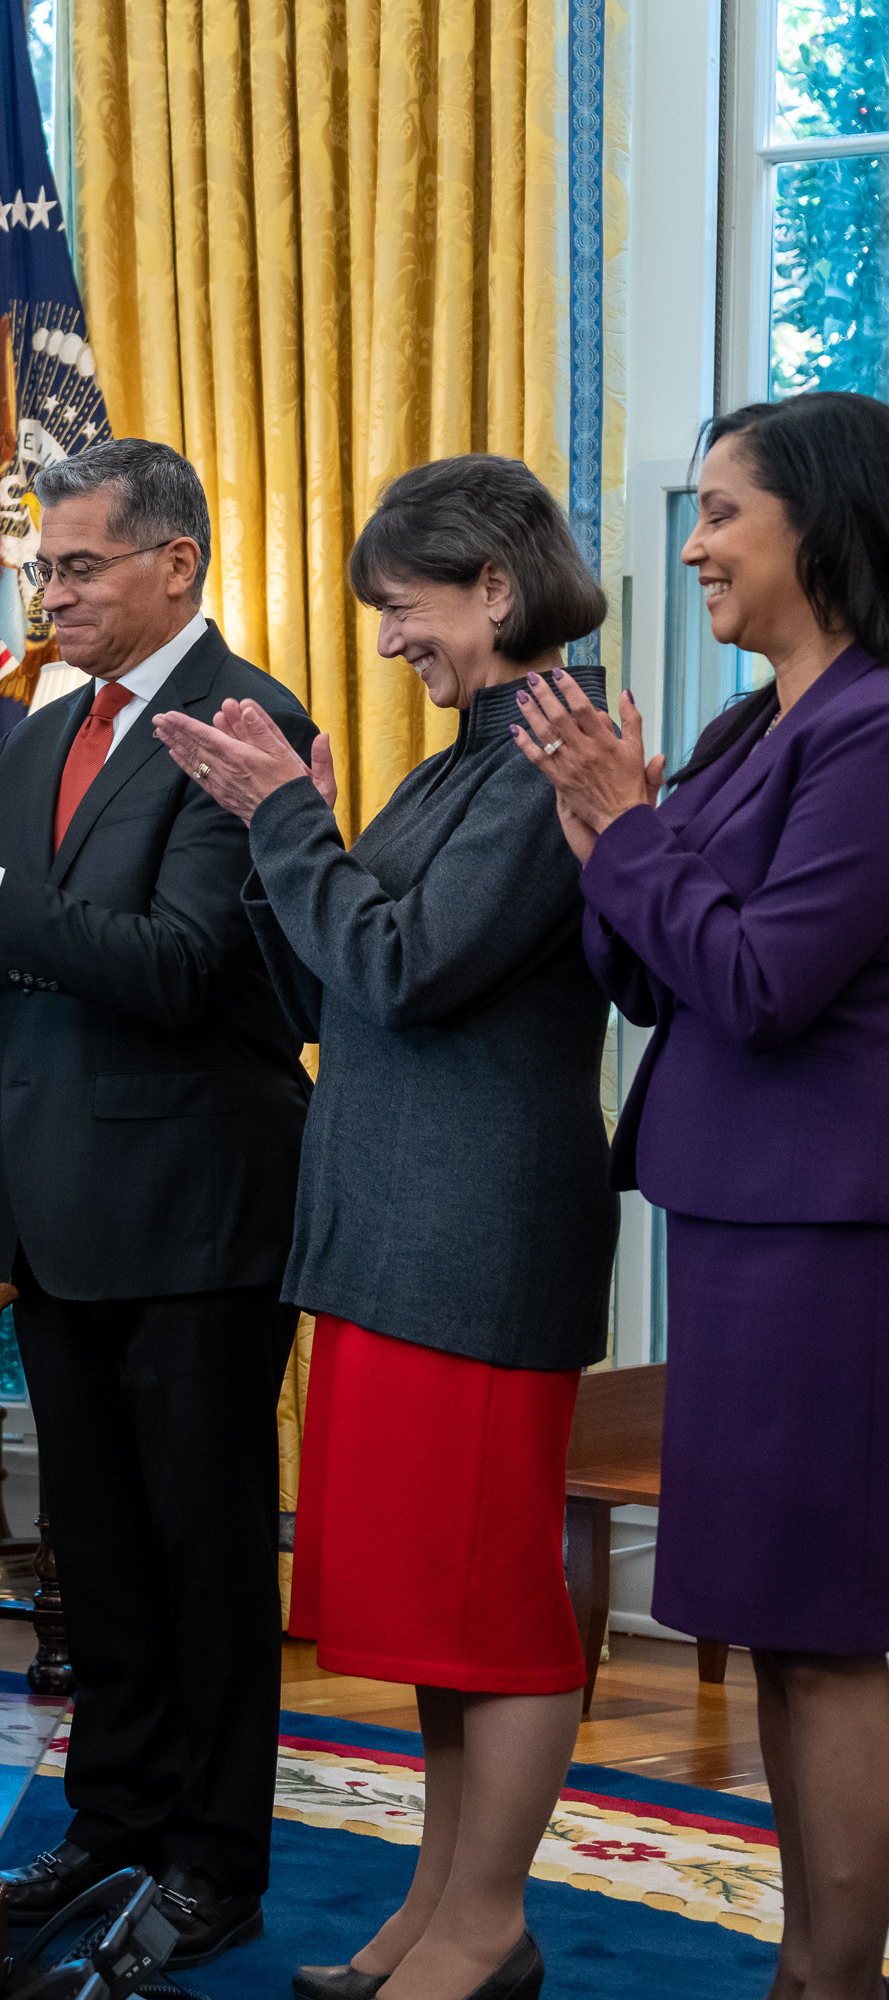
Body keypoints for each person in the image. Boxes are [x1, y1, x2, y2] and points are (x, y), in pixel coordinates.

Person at [0, 436, 311, 1967]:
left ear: (176, 563)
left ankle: (213, 1865)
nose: (53, 590)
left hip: (194, 1208)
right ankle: (113, 1819)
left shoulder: (246, 726)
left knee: (205, 1553)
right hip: (57, 1201)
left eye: (80, 565)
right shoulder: (37, 733)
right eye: (44, 567)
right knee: (93, 1551)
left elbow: (184, 968)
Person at [157, 455, 615, 2000]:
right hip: (392, 1229)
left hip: (476, 1237)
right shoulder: (454, 768)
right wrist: (287, 837)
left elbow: (413, 970)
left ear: (497, 587)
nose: (386, 642)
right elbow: (339, 996)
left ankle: (487, 1927)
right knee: (436, 1607)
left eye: (402, 607)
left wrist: (292, 823)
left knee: (496, 1607)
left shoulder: (557, 753)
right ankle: (441, 1906)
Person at [516, 390, 889, 2000]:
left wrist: (630, 834)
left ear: (825, 521)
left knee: (827, 1628)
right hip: (745, 1223)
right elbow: (651, 972)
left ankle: (829, 1978)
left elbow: (762, 981)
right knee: (794, 1622)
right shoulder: (755, 726)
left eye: (725, 511)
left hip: (830, 1233)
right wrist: (605, 834)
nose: (694, 545)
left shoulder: (874, 727)